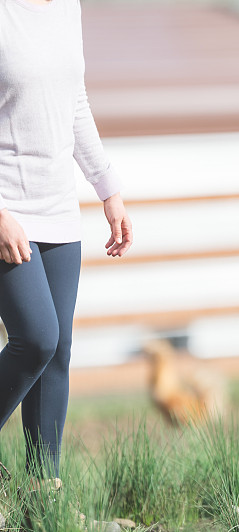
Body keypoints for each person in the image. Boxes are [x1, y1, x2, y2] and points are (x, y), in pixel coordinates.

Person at [0, 0, 133, 496]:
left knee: (57, 353)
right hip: (8, 212)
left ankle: (42, 494)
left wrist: (108, 190)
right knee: (35, 338)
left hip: (58, 209)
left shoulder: (66, 8)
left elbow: (73, 99)